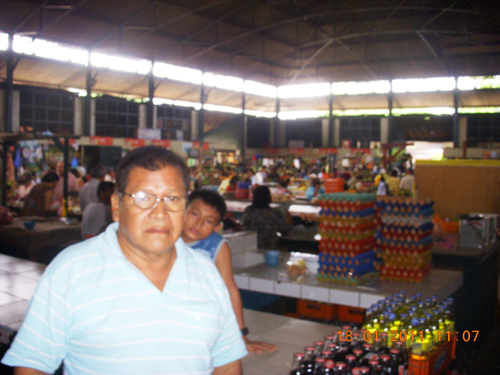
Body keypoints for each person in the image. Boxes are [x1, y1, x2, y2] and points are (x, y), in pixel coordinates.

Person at [2, 146, 247, 374]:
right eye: (143, 198)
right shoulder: (71, 270)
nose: (160, 213)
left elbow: (226, 363)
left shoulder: (207, 273)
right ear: (117, 206)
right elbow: (32, 364)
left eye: (173, 199)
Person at [181, 189, 277, 354]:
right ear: (182, 210)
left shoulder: (217, 246)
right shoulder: (164, 239)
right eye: (195, 214)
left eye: (208, 221)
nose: (198, 224)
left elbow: (229, 290)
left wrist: (241, 336)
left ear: (217, 227)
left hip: (205, 327)